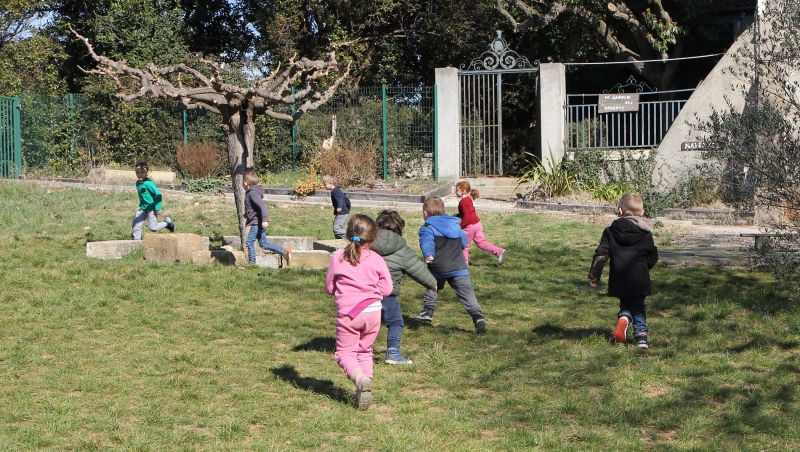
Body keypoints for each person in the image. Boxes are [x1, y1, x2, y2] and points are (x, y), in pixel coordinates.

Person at [325, 214, 392, 410]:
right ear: (373, 238)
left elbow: (330, 287)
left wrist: (345, 293)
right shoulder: (377, 259)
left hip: (349, 314)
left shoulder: (338, 257)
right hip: (373, 312)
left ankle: (361, 380)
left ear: (348, 234)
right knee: (365, 351)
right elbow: (387, 289)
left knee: (344, 353)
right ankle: (363, 388)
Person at [588, 192, 659, 349]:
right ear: (642, 212)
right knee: (638, 307)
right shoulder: (644, 233)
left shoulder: (610, 231)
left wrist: (594, 275)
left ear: (621, 211)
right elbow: (653, 255)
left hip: (619, 276)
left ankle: (624, 317)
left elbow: (601, 254)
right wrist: (644, 267)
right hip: (639, 278)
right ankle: (641, 337)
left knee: (625, 302)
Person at [372, 210, 437, 365]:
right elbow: (416, 268)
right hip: (388, 294)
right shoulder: (402, 249)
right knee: (395, 322)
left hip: (364, 293)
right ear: (400, 228)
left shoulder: (366, 244)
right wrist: (432, 283)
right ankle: (393, 353)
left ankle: (356, 349)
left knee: (367, 322)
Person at [414, 197, 487, 334]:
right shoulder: (456, 225)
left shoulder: (427, 228)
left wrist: (428, 254)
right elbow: (463, 243)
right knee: (467, 294)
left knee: (432, 285)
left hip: (439, 267)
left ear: (425, 213)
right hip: (459, 266)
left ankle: (428, 311)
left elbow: (427, 242)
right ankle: (478, 317)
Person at [243, 169, 292, 266]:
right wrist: (247, 214)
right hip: (258, 221)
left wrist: (265, 219)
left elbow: (262, 206)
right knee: (263, 243)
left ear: (245, 183)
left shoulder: (252, 193)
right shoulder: (254, 192)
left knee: (249, 242)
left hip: (257, 223)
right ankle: (284, 252)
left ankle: (252, 263)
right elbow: (254, 207)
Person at [455, 181, 506, 266]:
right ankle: (499, 252)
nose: (455, 192)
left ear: (463, 191)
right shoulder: (468, 199)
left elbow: (466, 216)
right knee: (481, 243)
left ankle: (464, 264)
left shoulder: (463, 202)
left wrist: (460, 226)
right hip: (477, 224)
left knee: (464, 245)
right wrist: (458, 215)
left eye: (457, 190)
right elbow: (469, 212)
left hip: (470, 226)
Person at [132, 161, 175, 240]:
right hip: (142, 208)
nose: (139, 174)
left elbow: (158, 195)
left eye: (142, 172)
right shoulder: (137, 183)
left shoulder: (149, 184)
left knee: (153, 228)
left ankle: (167, 223)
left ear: (147, 173)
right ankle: (136, 240)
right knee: (136, 223)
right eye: (137, 172)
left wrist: (158, 207)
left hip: (151, 209)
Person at [322, 175, 351, 239]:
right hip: (344, 212)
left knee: (336, 229)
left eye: (325, 184)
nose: (324, 186)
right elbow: (347, 201)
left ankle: (352, 235)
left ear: (331, 183)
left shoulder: (335, 191)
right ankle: (341, 240)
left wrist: (339, 207)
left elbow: (340, 199)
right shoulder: (338, 191)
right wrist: (347, 210)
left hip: (342, 213)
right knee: (337, 230)